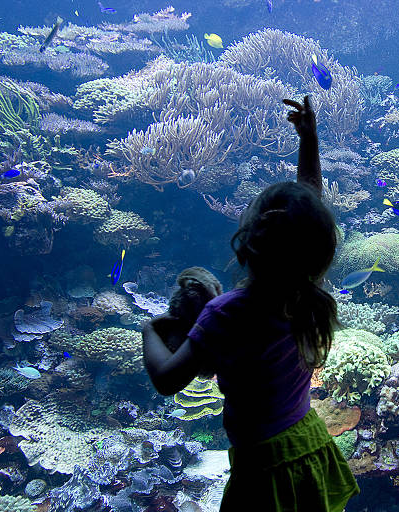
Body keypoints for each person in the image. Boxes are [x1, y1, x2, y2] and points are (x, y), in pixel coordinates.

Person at [142, 95, 360, 512]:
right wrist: (309, 140)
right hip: (310, 441)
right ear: (320, 252)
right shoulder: (306, 294)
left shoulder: (225, 313)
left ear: (247, 243)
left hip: (265, 466)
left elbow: (168, 381)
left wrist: (149, 330)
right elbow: (308, 209)